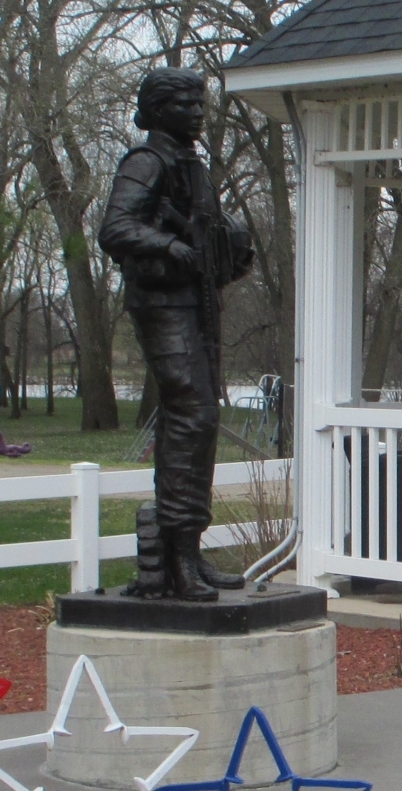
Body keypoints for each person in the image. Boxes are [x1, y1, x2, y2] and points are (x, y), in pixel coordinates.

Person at [99, 67, 254, 600]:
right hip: (162, 303)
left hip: (197, 303)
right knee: (193, 412)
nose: (197, 112)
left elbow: (209, 235)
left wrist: (232, 244)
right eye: (185, 103)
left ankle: (183, 550)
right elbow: (115, 227)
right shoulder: (148, 162)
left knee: (196, 420)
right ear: (159, 108)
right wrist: (168, 248)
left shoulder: (195, 166)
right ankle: (180, 559)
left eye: (199, 103)